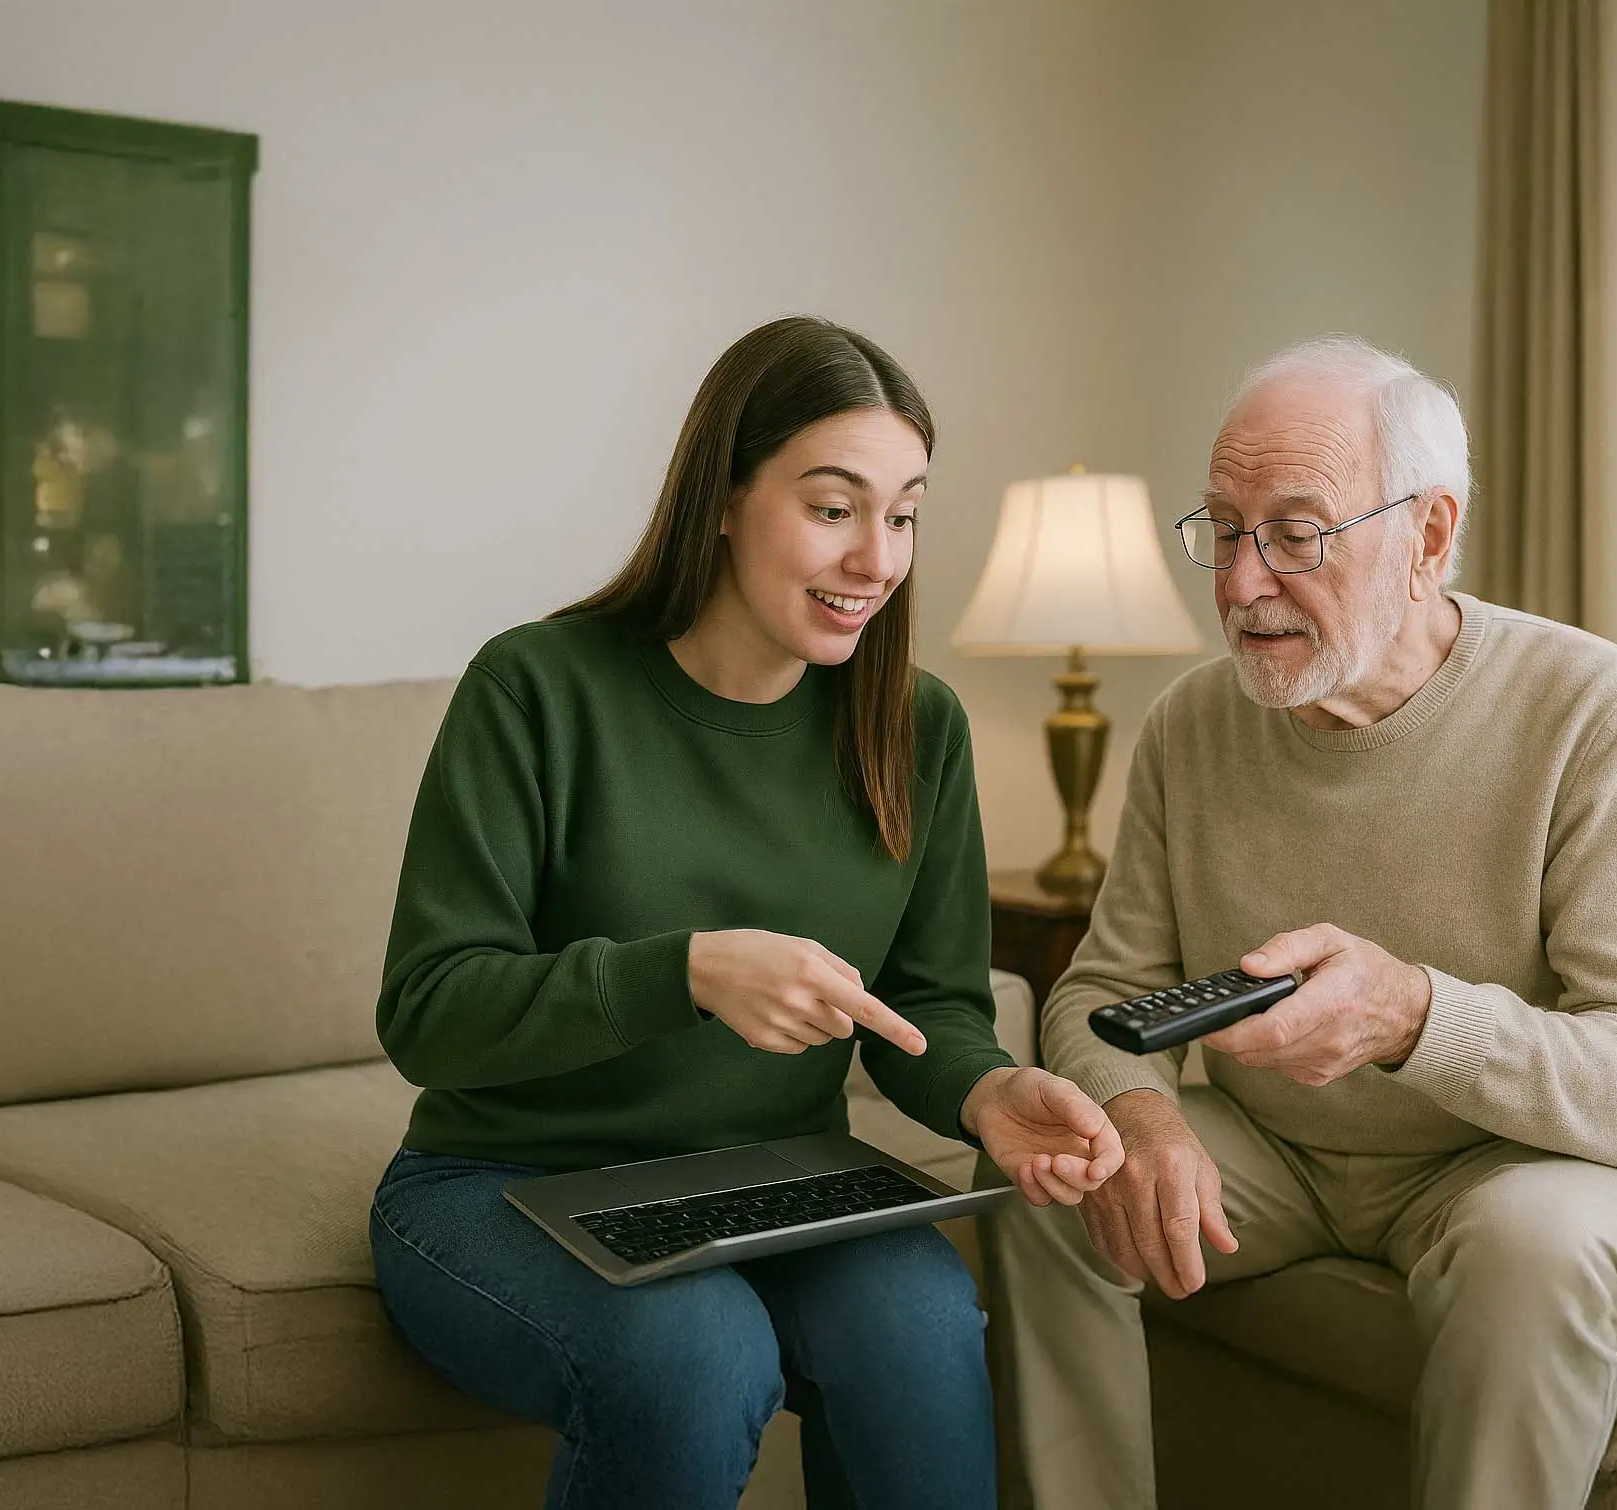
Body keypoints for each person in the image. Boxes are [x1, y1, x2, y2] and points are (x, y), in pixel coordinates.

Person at [369, 315, 1124, 1510]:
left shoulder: (919, 728)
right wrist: (686, 972)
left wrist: (989, 1091)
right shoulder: (535, 688)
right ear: (721, 498)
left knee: (923, 1322)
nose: (878, 557)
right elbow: (428, 1010)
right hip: (498, 1184)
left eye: (907, 512)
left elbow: (927, 1001)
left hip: (778, 1179)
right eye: (835, 507)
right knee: (694, 1349)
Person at [990, 337, 1617, 1510]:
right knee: (1057, 1174)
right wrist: (1138, 1111)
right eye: (1223, 529)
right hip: (1283, 1152)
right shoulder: (1190, 723)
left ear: (1429, 537)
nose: (1238, 581)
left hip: (1518, 1158)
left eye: (1295, 532)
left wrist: (1413, 1014)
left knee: (1532, 1258)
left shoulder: (1589, 708)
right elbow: (1097, 989)